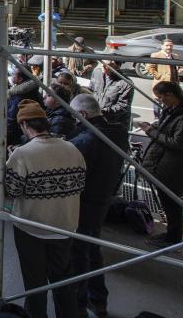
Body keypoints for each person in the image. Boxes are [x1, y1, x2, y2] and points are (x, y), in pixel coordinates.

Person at [5, 101, 86, 318]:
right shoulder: (73, 149)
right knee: (63, 281)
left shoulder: (22, 155)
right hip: (65, 226)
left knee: (35, 283)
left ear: (23, 125)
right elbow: (79, 185)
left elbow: (11, 191)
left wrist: (11, 159)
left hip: (32, 228)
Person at [68, 94, 129, 318]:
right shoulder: (118, 132)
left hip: (84, 201)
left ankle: (79, 305)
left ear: (83, 115)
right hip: (102, 199)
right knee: (92, 249)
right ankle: (98, 299)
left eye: (75, 116)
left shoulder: (87, 140)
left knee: (79, 254)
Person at [138, 81, 183, 248]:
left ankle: (173, 237)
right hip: (165, 163)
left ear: (170, 95)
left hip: (174, 167)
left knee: (172, 203)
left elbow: (179, 143)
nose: (160, 101)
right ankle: (171, 234)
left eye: (161, 98)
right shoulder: (173, 111)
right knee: (167, 202)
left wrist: (150, 131)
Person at [90, 60, 134, 130]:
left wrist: (102, 111)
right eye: (102, 64)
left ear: (117, 67)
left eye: (108, 65)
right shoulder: (97, 72)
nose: (103, 67)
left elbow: (123, 106)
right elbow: (91, 90)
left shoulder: (126, 83)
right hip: (95, 119)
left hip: (113, 123)